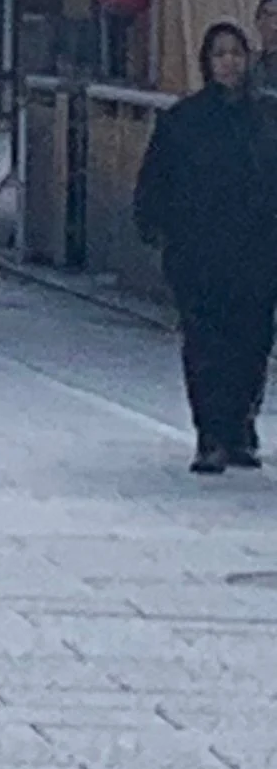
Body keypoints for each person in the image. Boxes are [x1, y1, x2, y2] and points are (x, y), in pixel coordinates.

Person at [136, 24, 277, 474]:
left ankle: (241, 426)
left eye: (236, 53)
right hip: (198, 251)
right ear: (207, 62)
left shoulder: (268, 118)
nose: (229, 63)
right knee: (204, 343)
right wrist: (153, 224)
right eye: (220, 55)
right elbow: (156, 179)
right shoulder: (184, 120)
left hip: (258, 251)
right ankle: (211, 433)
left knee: (252, 343)